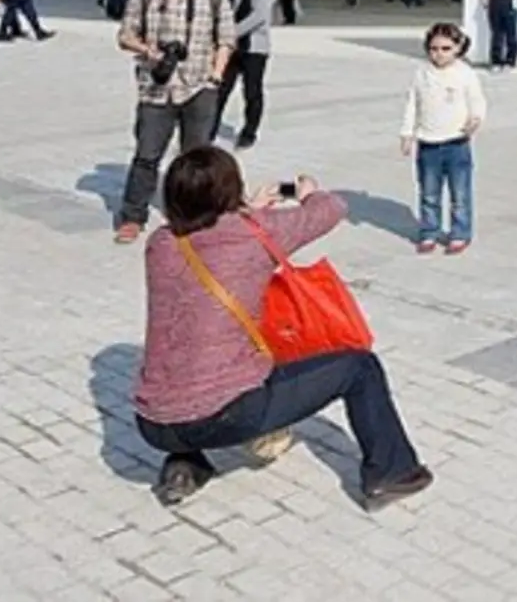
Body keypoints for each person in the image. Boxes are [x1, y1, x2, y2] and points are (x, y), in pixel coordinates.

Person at [131, 148, 433, 508]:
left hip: (152, 423)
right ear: (231, 192)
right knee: (359, 368)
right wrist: (308, 193)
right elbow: (332, 209)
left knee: (190, 354)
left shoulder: (160, 245)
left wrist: (248, 211)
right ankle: (392, 473)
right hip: (226, 415)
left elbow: (207, 231)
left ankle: (185, 464)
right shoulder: (253, 235)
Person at [115, 0, 237, 244]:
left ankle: (193, 215)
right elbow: (125, 35)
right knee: (146, 155)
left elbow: (226, 39)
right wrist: (149, 50)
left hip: (199, 87)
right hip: (155, 89)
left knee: (196, 158)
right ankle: (132, 215)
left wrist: (216, 76)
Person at [400, 23, 486, 253]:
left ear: (458, 48)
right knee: (429, 193)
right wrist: (407, 134)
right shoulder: (421, 73)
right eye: (434, 48)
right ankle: (429, 231)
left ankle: (460, 232)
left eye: (446, 48)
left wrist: (475, 119)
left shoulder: (465, 73)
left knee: (460, 193)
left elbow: (477, 101)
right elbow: (412, 104)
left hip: (457, 143)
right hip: (428, 144)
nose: (439, 54)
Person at [217, 0, 279, 149]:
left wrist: (231, 32)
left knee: (252, 91)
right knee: (221, 88)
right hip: (231, 47)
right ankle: (208, 127)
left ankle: (249, 131)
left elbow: (259, 16)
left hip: (254, 47)